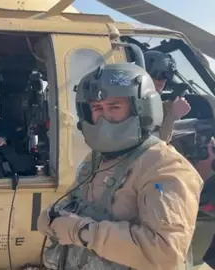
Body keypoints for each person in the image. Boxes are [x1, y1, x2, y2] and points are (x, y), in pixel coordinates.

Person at [37, 63, 203, 269]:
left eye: (114, 107)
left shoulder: (166, 168)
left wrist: (82, 232)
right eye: (97, 108)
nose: (104, 116)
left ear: (141, 109)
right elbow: (75, 201)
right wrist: (53, 217)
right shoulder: (97, 158)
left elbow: (165, 254)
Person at [144, 50, 191, 142]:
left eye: (167, 76)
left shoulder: (153, 102)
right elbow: (156, 144)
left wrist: (171, 104)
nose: (162, 81)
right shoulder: (133, 102)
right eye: (159, 74)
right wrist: (173, 116)